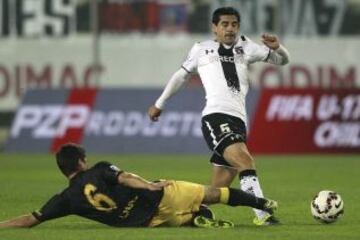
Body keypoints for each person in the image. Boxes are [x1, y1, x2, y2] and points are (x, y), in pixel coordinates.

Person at [148, 7, 290, 225]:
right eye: (224, 24)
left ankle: (187, 212)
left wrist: (279, 48)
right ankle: (263, 214)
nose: (230, 29)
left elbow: (282, 62)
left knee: (218, 189)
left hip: (239, 121)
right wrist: (160, 103)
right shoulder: (201, 49)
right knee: (245, 160)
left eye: (234, 24)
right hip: (216, 117)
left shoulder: (247, 46)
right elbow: (181, 77)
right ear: (215, 28)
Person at [0, 143, 278, 229]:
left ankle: (195, 219)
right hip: (157, 199)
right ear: (82, 162)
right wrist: (150, 185)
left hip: (146, 222)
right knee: (215, 194)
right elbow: (125, 178)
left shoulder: (66, 199)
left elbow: (30, 220)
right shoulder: (99, 169)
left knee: (186, 215)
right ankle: (262, 204)